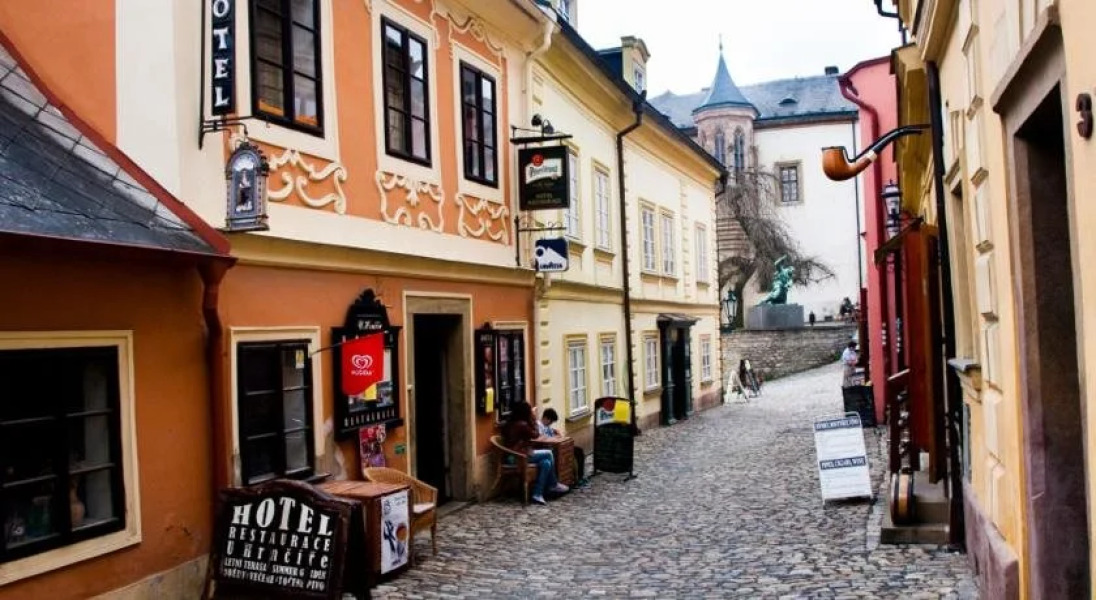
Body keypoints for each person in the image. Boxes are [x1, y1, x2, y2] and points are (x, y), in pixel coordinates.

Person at [502, 403, 568, 505]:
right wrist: (533, 418)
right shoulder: (522, 425)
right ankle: (553, 484)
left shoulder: (513, 422)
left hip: (518, 454)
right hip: (517, 457)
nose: (531, 413)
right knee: (549, 453)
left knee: (546, 463)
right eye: (530, 411)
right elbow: (536, 434)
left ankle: (538, 494)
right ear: (525, 413)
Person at [538, 408, 589, 488]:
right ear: (546, 418)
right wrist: (555, 437)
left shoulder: (547, 426)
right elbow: (543, 439)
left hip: (558, 446)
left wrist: (557, 434)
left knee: (579, 451)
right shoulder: (539, 426)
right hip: (551, 448)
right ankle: (574, 478)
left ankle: (580, 476)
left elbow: (557, 435)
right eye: (551, 421)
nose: (551, 424)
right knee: (571, 453)